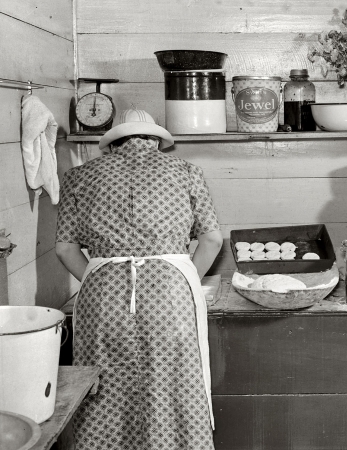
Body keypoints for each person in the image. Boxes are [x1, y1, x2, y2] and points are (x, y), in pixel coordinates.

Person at [55, 109, 223, 450]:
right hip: (169, 293)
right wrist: (182, 276)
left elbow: (63, 248)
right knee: (171, 383)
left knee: (102, 385)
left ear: (114, 144)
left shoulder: (79, 176)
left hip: (103, 297)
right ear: (157, 142)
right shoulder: (187, 172)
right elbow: (212, 241)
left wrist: (97, 275)